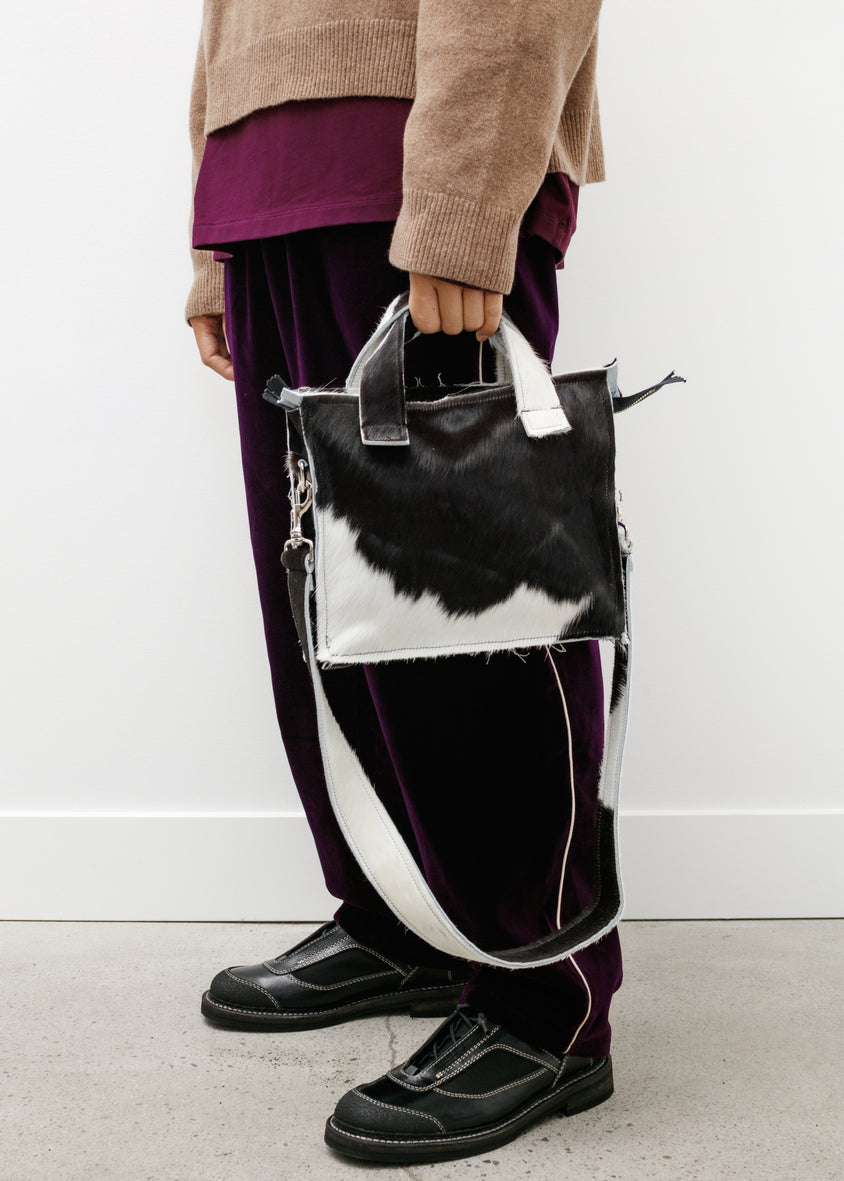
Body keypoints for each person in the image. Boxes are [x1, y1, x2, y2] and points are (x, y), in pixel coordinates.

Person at [185, 0, 620, 1164]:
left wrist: (468, 198)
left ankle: (543, 992)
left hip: (409, 157)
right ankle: (407, 919)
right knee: (329, 603)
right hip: (272, 177)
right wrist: (216, 229)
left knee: (467, 605)